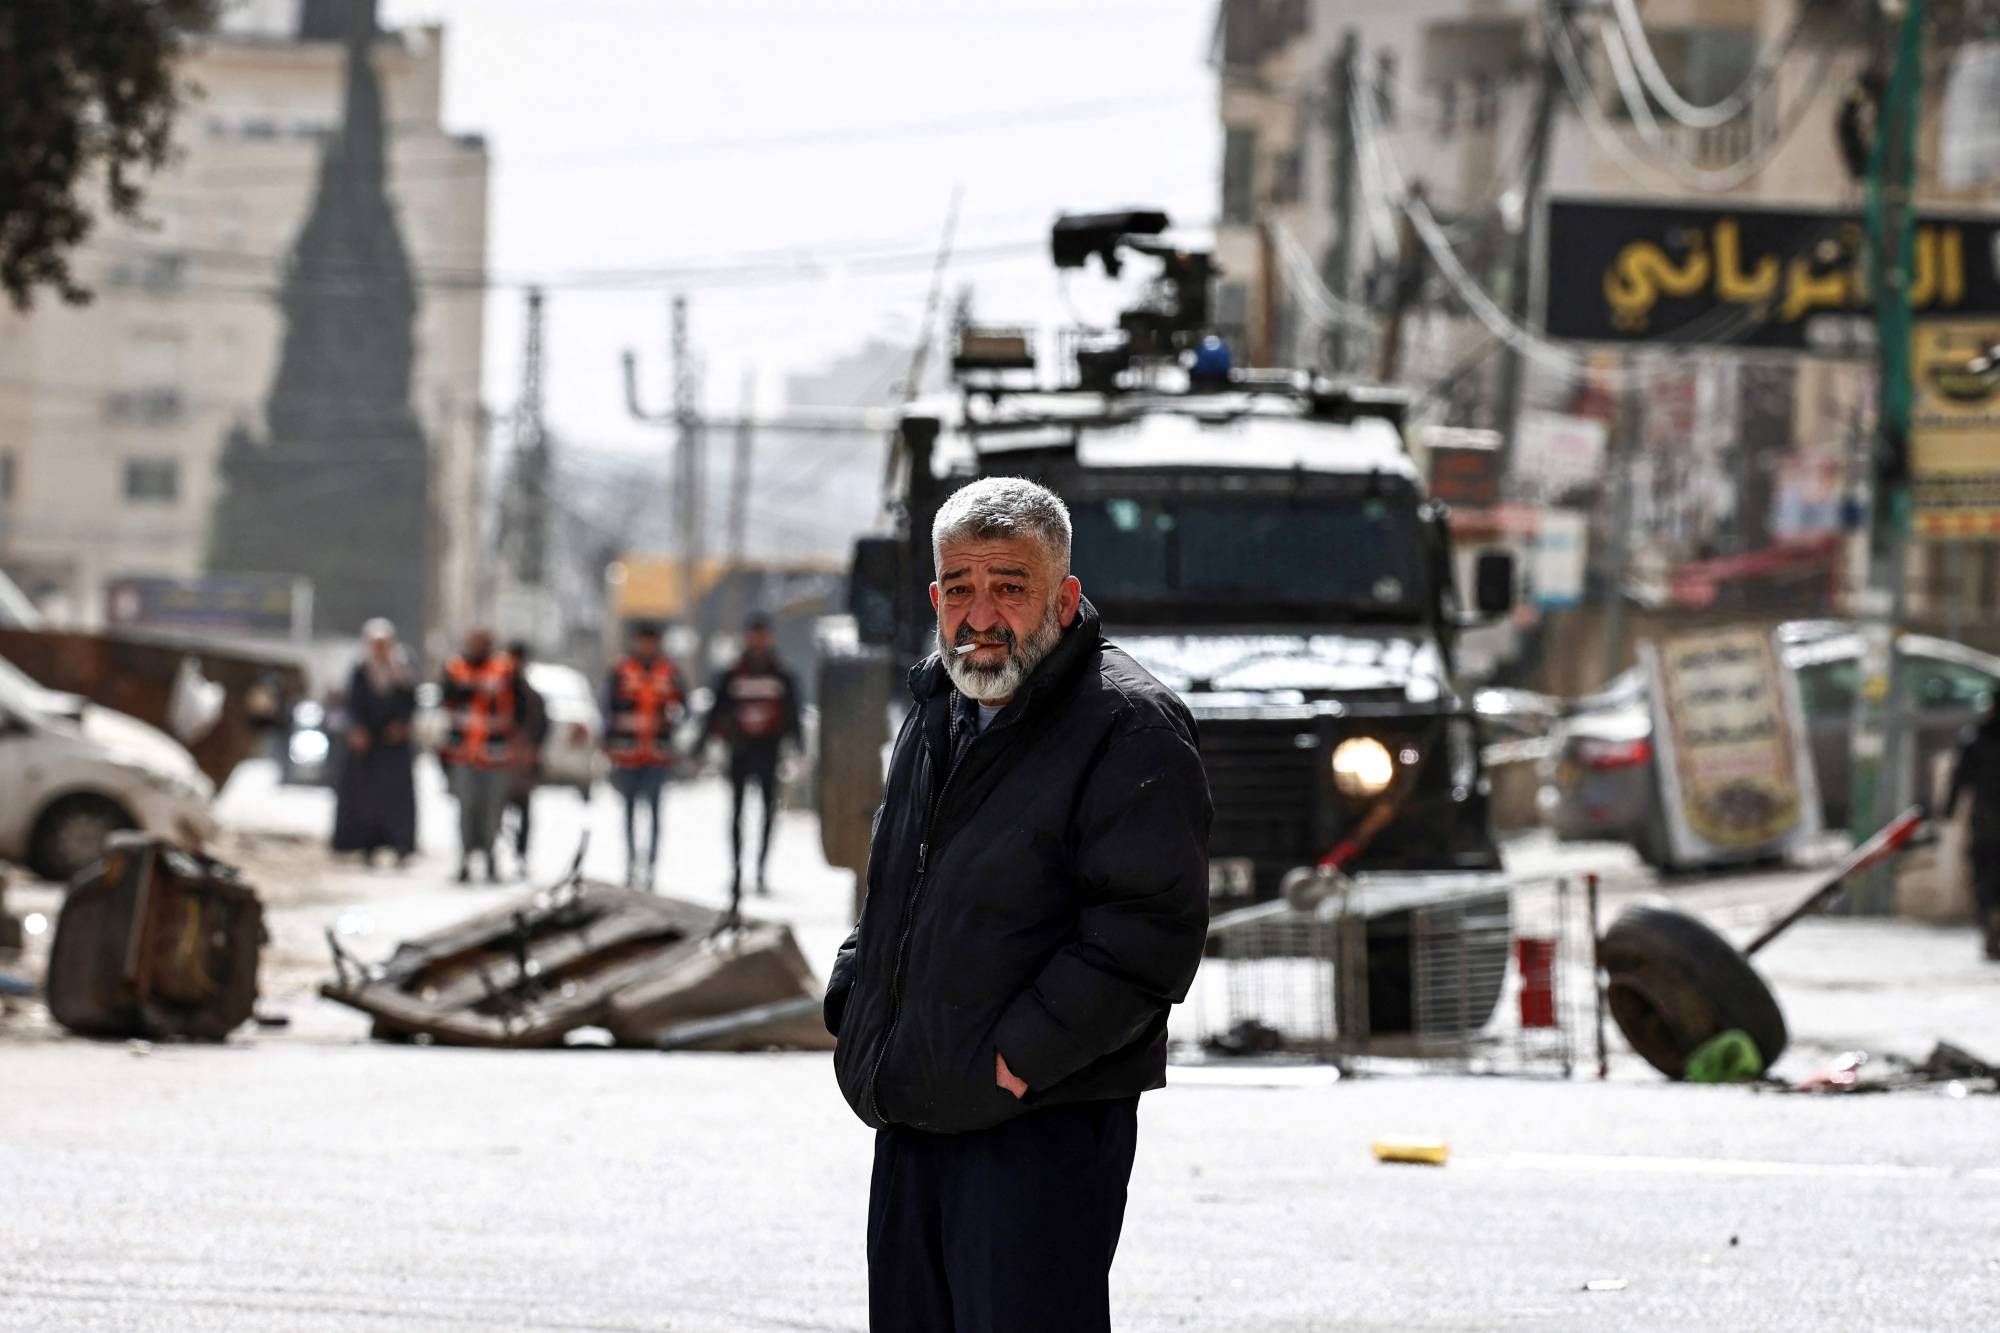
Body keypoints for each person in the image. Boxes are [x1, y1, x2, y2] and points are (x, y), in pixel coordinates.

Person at [822, 477, 1211, 1332]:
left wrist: (1021, 1056)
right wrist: (857, 1002)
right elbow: (899, 882)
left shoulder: (1129, 723)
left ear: (1063, 598)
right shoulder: (938, 708)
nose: (981, 614)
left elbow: (1148, 932)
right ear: (935, 600)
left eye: (1009, 586)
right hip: (914, 1106)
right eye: (960, 587)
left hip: (1040, 1121)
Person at [701, 612, 802, 909]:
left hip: (769, 751)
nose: (757, 641)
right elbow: (716, 710)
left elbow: (792, 711)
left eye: (762, 635)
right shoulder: (733, 673)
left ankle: (760, 870)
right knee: (737, 813)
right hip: (740, 751)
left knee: (768, 814)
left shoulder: (780, 673)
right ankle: (736, 871)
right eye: (753, 635)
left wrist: (797, 744)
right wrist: (704, 742)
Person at [602, 622, 687, 890]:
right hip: (627, 754)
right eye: (643, 641)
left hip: (657, 756)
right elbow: (606, 708)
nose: (647, 647)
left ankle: (650, 867)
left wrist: (674, 722)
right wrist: (607, 742)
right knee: (628, 811)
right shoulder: (621, 670)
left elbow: (684, 707)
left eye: (651, 642)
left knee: (654, 812)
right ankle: (630, 863)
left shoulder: (669, 672)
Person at [331, 619, 417, 865]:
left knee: (396, 799)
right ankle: (365, 844)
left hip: (394, 746)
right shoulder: (361, 669)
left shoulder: (403, 668)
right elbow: (352, 704)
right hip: (367, 745)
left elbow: (410, 701)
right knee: (364, 798)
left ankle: (400, 844)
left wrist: (401, 724)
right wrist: (357, 729)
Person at [439, 628, 520, 885]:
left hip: (495, 755)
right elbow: (445, 705)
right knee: (466, 809)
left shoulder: (504, 670)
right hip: (463, 755)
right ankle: (464, 860)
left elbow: (519, 709)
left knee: (492, 812)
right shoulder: (455, 669)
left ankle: (491, 858)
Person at [1945, 701, 2000, 960]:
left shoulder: (1976, 738)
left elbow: (1959, 776)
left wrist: (1948, 808)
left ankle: (1990, 916)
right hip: (1987, 819)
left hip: (1986, 820)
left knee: (1983, 873)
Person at [501, 640, 549, 881]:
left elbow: (541, 729)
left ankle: (521, 855)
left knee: (524, 813)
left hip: (523, 766)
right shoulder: (499, 692)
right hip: (500, 764)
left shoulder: (533, 697)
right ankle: (495, 857)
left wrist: (532, 752)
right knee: (496, 813)